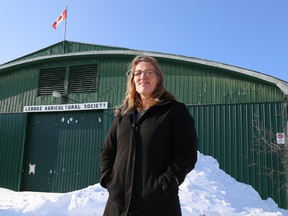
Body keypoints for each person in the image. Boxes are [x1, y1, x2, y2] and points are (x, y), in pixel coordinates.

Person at [100, 55, 198, 216]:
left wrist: (165, 184)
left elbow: (186, 153)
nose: (142, 77)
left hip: (159, 205)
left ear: (158, 78)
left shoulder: (174, 111)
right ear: (132, 80)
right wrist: (109, 179)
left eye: (148, 72)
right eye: (138, 73)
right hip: (118, 205)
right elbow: (107, 150)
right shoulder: (123, 115)